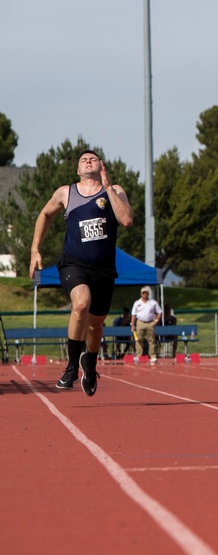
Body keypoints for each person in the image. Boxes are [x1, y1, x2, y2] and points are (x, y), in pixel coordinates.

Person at [28, 150, 133, 396]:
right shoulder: (66, 192)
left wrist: (107, 186)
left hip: (104, 271)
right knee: (81, 304)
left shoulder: (115, 190)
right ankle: (72, 367)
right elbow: (44, 214)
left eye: (93, 159)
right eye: (83, 160)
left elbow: (127, 220)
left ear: (101, 166)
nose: (88, 161)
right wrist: (35, 249)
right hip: (74, 264)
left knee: (96, 326)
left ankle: (90, 362)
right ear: (78, 170)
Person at [131, 285, 163, 363]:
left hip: (150, 322)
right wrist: (133, 325)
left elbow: (159, 312)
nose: (144, 295)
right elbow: (133, 314)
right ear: (141, 294)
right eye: (143, 293)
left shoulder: (153, 302)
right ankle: (139, 355)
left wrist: (157, 320)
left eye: (146, 293)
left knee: (151, 340)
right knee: (139, 340)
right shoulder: (137, 303)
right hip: (140, 322)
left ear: (148, 294)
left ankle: (153, 356)